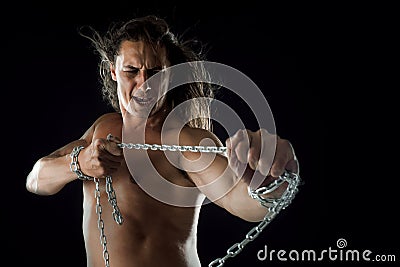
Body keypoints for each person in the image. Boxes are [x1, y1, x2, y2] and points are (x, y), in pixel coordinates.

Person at [26, 15, 300, 267]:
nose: (145, 83)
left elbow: (239, 199)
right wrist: (79, 164)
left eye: (156, 72)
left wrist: (266, 178)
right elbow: (36, 179)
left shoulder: (185, 141)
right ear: (113, 71)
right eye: (131, 70)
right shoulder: (104, 129)